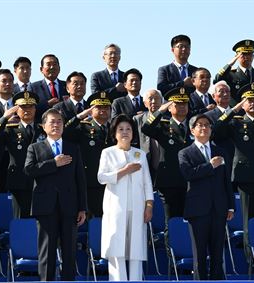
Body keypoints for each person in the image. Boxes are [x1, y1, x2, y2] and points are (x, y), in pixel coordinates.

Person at [24, 108, 87, 281]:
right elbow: (29, 170)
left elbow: (80, 179)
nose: (56, 125)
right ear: (43, 126)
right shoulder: (35, 148)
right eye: (52, 121)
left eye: (59, 121)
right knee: (47, 251)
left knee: (69, 251)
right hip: (45, 206)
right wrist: (53, 163)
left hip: (69, 206)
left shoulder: (73, 148)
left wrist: (82, 208)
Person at [212, 82, 254, 251]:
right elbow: (216, 133)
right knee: (250, 221)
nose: (253, 103)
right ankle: (252, 261)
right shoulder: (235, 122)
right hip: (247, 178)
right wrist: (232, 111)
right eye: (249, 100)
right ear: (242, 103)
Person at [97, 114, 154, 281]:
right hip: (116, 207)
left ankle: (136, 280)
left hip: (137, 207)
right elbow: (101, 177)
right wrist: (124, 171)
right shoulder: (108, 153)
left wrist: (149, 205)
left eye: (128, 129)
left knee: (135, 249)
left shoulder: (140, 154)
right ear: (114, 133)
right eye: (120, 129)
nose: (124, 132)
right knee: (117, 248)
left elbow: (147, 182)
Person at [178, 113, 234, 280]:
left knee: (218, 253)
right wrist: (209, 166)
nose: (204, 128)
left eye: (207, 125)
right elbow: (188, 174)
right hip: (198, 210)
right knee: (200, 254)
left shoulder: (220, 151)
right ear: (192, 130)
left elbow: (226, 181)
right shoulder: (185, 153)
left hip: (219, 209)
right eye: (199, 125)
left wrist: (231, 206)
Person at [0, 91, 44, 218]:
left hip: (40, 181)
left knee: (41, 221)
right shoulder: (10, 129)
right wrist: (4, 118)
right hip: (19, 182)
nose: (27, 110)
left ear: (35, 108)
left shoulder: (43, 129)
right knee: (21, 221)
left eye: (30, 106)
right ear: (16, 109)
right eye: (23, 107)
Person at [141, 87, 192, 218]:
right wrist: (160, 111)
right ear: (169, 107)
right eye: (177, 104)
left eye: (184, 103)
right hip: (169, 182)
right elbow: (146, 128)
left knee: (191, 221)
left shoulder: (194, 125)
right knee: (172, 222)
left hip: (190, 181)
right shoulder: (163, 126)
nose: (181, 107)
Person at [63, 91, 113, 217]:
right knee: (92, 219)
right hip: (90, 180)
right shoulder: (83, 127)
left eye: (106, 107)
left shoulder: (115, 128)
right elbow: (65, 132)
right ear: (91, 110)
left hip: (111, 180)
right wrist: (79, 116)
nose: (103, 110)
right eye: (98, 107)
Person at [133, 89, 163, 181]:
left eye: (157, 98)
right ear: (145, 103)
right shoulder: (137, 119)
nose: (154, 101)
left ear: (162, 102)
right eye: (150, 99)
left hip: (164, 167)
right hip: (144, 164)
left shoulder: (168, 120)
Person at [31, 54, 68, 119]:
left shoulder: (67, 86)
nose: (52, 67)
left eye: (54, 64)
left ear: (59, 68)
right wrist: (47, 104)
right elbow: (30, 108)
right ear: (41, 69)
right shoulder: (33, 87)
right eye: (48, 64)